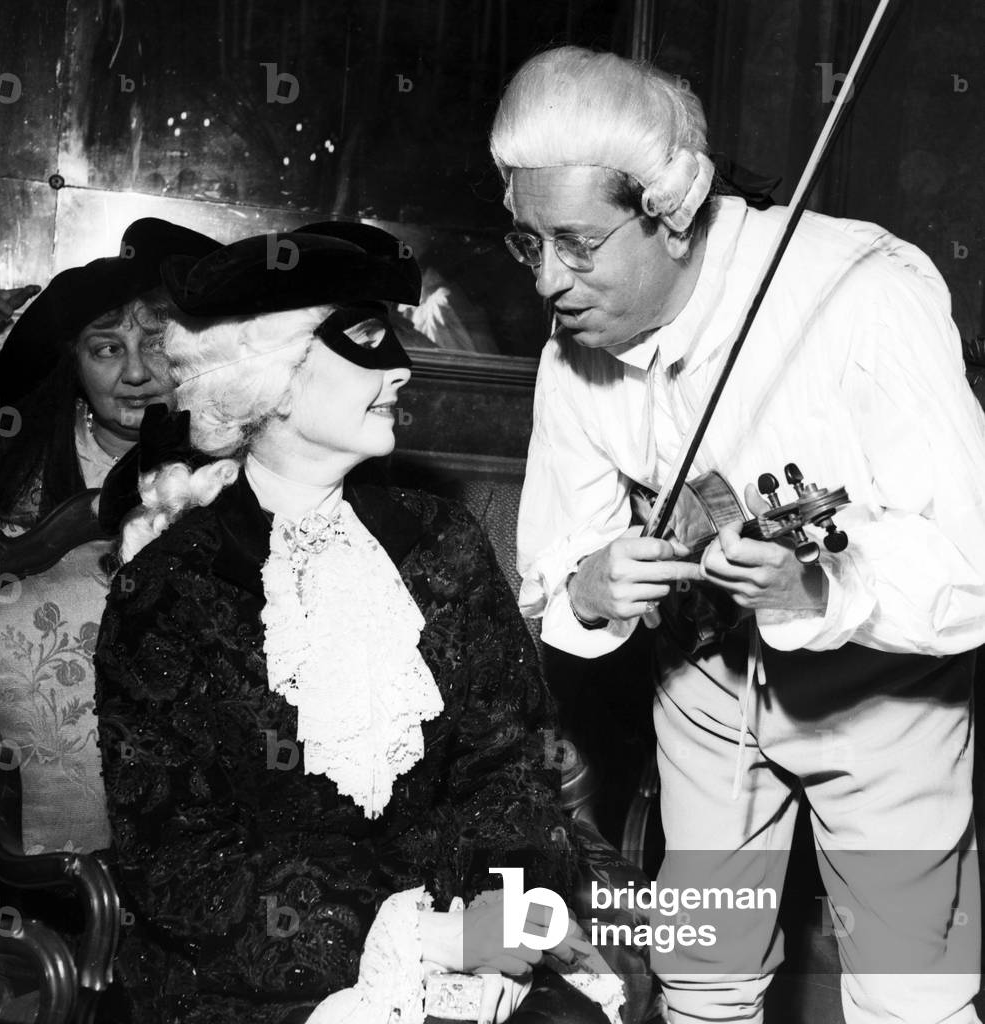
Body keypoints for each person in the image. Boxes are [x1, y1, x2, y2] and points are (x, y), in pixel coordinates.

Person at [490, 45, 985, 1024]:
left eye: (576, 243)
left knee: (910, 995)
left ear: (671, 214)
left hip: (880, 695)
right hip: (703, 688)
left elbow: (973, 558)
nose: (547, 280)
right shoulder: (575, 348)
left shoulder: (863, 289)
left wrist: (819, 588)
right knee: (701, 978)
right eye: (526, 243)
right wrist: (591, 584)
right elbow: (555, 565)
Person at [93, 223, 629, 1024]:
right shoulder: (168, 590)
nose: (403, 367)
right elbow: (180, 866)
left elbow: (509, 765)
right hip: (261, 982)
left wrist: (502, 910)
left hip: (473, 941)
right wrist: (419, 938)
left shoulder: (442, 541)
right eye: (370, 342)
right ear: (274, 379)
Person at [0, 218, 219, 539]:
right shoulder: (5, 461)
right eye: (108, 349)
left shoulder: (228, 469)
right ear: (75, 362)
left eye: (156, 344)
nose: (136, 373)